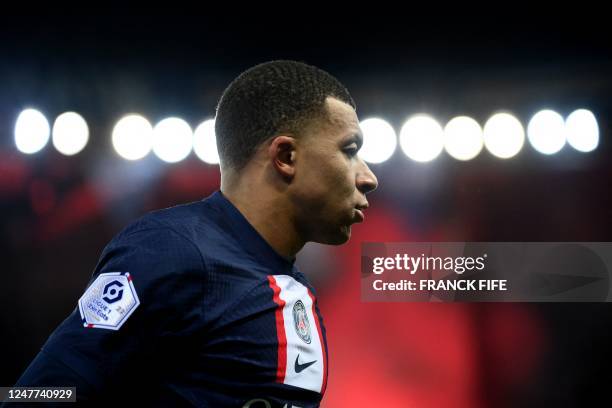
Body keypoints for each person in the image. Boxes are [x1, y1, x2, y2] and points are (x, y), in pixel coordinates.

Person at [9, 60, 378, 407]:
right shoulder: (170, 251)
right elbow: (40, 394)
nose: (368, 177)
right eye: (349, 150)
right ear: (285, 156)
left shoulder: (296, 291)